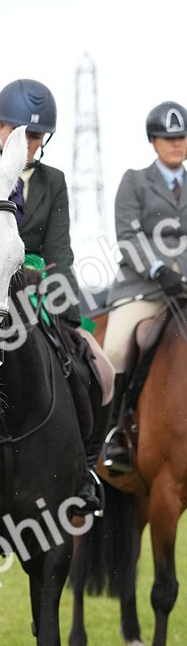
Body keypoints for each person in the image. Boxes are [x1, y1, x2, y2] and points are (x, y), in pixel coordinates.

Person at [0, 79, 107, 516]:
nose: (26, 142)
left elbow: (59, 252)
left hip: (39, 293)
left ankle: (88, 471)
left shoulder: (53, 181)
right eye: (17, 131)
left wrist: (70, 317)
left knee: (102, 371)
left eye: (35, 135)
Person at [102, 100, 187, 472]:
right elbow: (127, 236)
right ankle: (113, 436)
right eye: (168, 138)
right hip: (143, 290)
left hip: (185, 291)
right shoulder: (134, 181)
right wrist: (157, 269)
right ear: (153, 141)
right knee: (115, 350)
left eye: (181, 137)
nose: (176, 144)